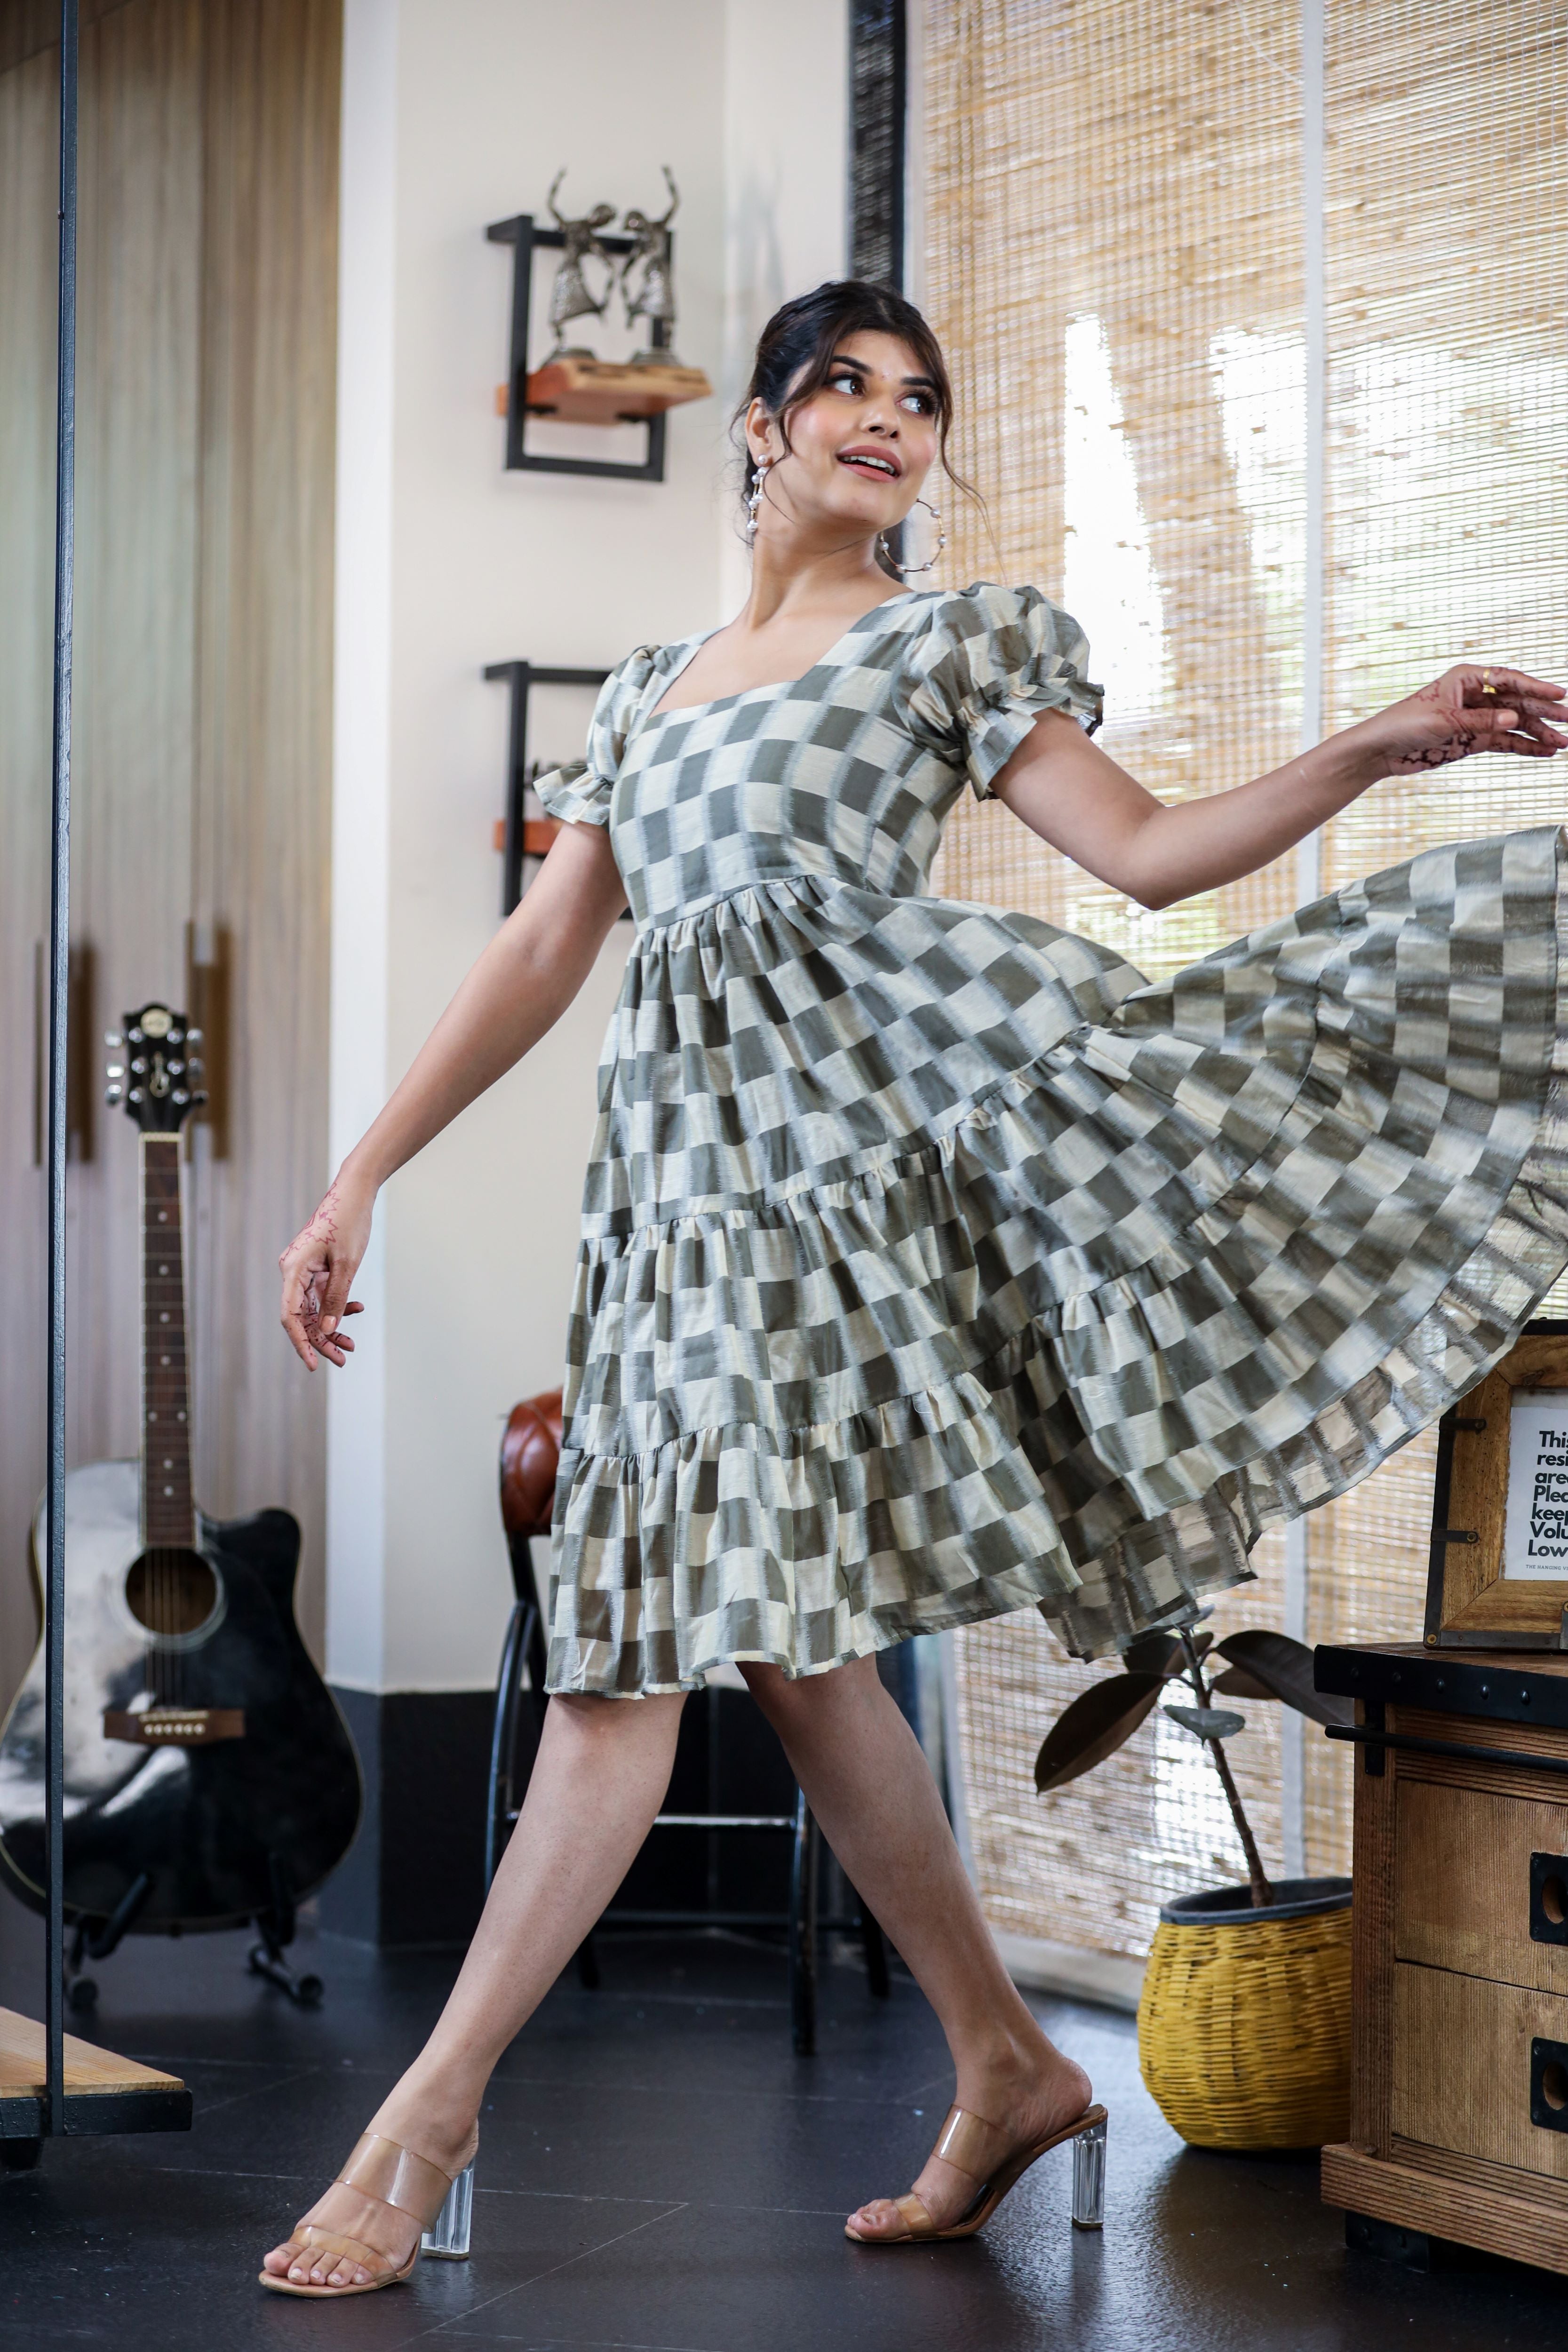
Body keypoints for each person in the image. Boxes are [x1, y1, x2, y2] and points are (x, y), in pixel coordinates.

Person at [262, 279, 1568, 2296]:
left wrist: (1383, 741)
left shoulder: (952, 640)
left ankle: (427, 2112)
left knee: (628, 1671)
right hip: (686, 1211)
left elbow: (1143, 858)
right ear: (765, 428)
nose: (888, 420)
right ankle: (1005, 2060)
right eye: (847, 388)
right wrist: (360, 1171)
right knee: (784, 1652)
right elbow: (539, 958)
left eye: (921, 399)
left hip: (869, 1188)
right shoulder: (646, 690)